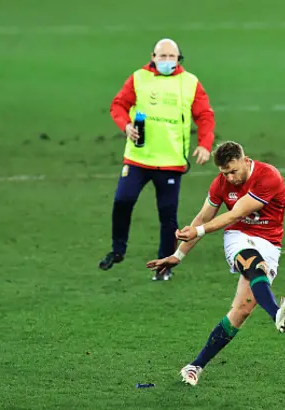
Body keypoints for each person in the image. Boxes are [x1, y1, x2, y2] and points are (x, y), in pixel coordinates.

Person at [146, 141, 285, 386]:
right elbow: (204, 217)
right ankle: (277, 315)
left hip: (269, 242)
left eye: (233, 171)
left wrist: (198, 231)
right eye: (224, 173)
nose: (230, 177)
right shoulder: (221, 183)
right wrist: (178, 255)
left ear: (244, 160)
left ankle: (194, 365)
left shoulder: (267, 176)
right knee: (253, 263)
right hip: (238, 237)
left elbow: (236, 212)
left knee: (241, 310)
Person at [99, 38, 215, 281]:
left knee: (167, 215)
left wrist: (205, 144)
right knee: (122, 200)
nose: (166, 61)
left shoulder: (189, 82)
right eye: (162, 56)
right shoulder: (139, 78)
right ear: (152, 56)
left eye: (171, 57)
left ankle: (164, 266)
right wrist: (126, 125)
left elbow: (204, 115)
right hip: (137, 158)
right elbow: (118, 105)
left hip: (170, 161)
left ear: (178, 58)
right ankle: (118, 250)